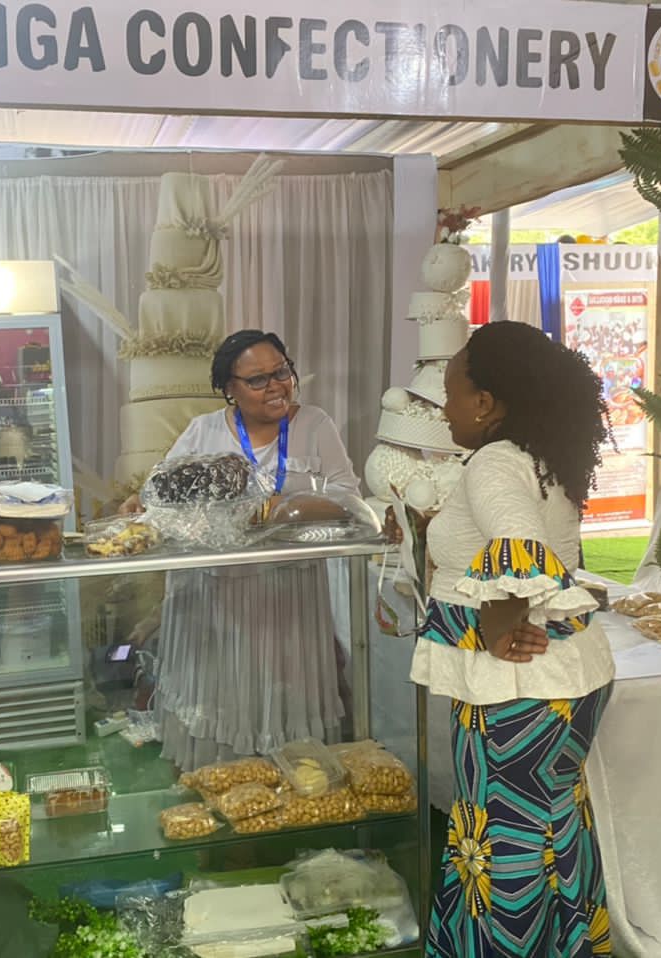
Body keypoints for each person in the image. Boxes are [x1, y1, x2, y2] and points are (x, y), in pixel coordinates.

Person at [391, 322, 616, 956]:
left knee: (502, 843)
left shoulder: (494, 462)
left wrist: (501, 617)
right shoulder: (537, 458)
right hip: (565, 679)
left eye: (451, 393)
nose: (445, 409)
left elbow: (518, 540)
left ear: (486, 403)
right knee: (552, 828)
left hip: (516, 690)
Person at [123, 329, 360, 770]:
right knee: (222, 700)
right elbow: (161, 495)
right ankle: (223, 787)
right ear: (229, 388)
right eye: (257, 380)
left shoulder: (315, 424)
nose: (276, 386)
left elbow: (347, 497)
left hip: (290, 595)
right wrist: (138, 502)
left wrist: (279, 508)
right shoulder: (204, 431)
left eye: (281, 372)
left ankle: (292, 788)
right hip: (216, 598)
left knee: (287, 707)